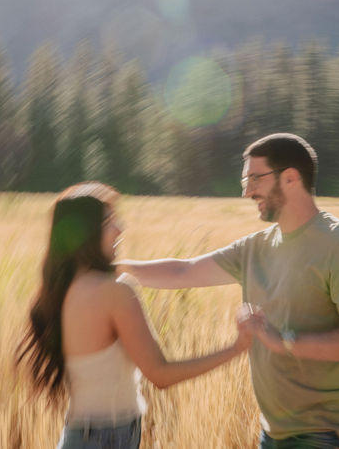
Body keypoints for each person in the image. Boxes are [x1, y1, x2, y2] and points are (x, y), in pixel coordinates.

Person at [118, 133, 339, 449]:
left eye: (255, 179)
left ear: (290, 178)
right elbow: (183, 270)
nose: (246, 192)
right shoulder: (255, 248)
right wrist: (110, 267)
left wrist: (284, 341)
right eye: (245, 181)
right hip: (274, 431)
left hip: (328, 434)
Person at [16, 181, 253, 449]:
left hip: (81, 435)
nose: (120, 228)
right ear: (86, 234)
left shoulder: (59, 289)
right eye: (108, 221)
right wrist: (237, 348)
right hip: (107, 438)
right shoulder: (114, 291)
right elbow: (160, 375)